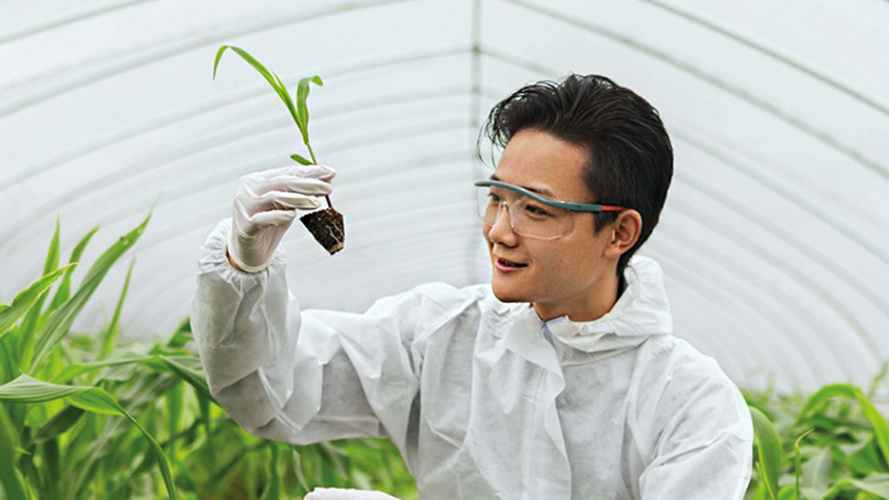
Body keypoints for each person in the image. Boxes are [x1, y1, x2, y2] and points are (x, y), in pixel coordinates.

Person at [190, 74, 753, 500]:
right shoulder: (440, 335)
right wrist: (243, 269)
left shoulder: (688, 402)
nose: (499, 231)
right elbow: (271, 396)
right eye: (496, 198)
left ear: (619, 232)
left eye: (536, 209)